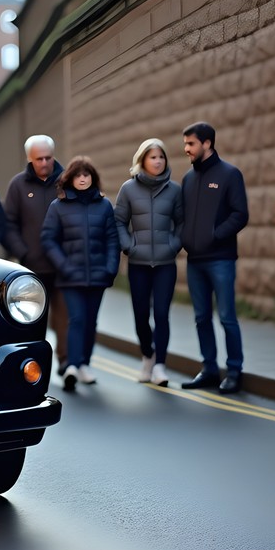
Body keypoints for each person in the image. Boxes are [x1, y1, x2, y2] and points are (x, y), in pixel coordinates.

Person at [180, 122, 250, 394]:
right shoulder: (188, 179)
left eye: (191, 143)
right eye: (185, 144)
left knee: (227, 317)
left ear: (207, 143)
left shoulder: (230, 174)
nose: (186, 149)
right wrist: (186, 239)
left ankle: (234, 371)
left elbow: (240, 214)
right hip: (195, 261)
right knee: (201, 318)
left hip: (221, 259)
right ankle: (209, 369)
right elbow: (183, 217)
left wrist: (214, 235)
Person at [40, 156, 120, 390]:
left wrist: (110, 268)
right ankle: (72, 367)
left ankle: (85, 364)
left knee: (91, 322)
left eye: (86, 175)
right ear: (70, 179)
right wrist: (64, 266)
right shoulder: (58, 206)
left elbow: (112, 240)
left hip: (98, 276)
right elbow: (48, 240)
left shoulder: (104, 206)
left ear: (92, 178)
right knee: (76, 319)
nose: (82, 179)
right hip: (70, 277)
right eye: (78, 175)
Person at [114, 138, 184, 386]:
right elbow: (119, 221)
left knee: (162, 314)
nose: (158, 161)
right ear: (142, 160)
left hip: (165, 264)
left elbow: (182, 222)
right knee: (141, 315)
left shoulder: (174, 190)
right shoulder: (128, 189)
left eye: (161, 157)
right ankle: (147, 356)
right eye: (153, 157)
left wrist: (174, 245)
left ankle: (160, 366)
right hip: (138, 264)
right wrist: (128, 246)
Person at [3, 135, 68, 370]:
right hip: (32, 267)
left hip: (62, 265)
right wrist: (23, 252)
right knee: (31, 319)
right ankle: (31, 366)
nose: (44, 163)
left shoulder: (66, 181)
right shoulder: (18, 185)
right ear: (29, 159)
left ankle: (66, 363)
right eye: (39, 159)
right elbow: (8, 224)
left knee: (65, 319)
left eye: (48, 158)